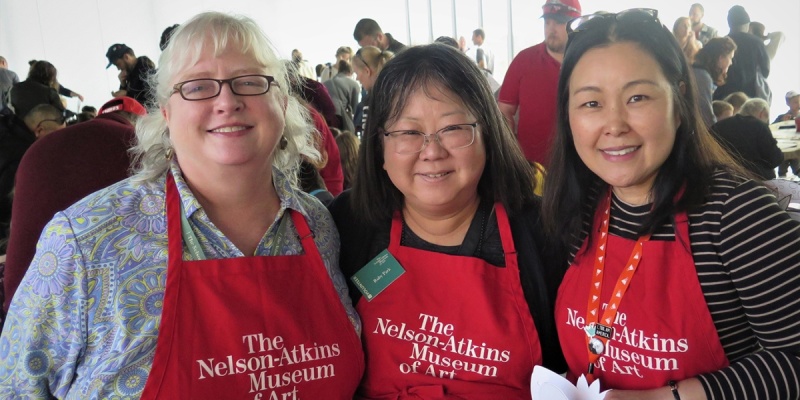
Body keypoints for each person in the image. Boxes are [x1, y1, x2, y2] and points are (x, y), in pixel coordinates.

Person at [0, 12, 364, 399]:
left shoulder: (319, 226)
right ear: (167, 114)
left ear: (282, 102)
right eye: (198, 86)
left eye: (249, 81)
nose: (227, 100)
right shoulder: (85, 242)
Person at [542, 8, 800, 398]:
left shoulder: (736, 215)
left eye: (637, 97)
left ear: (679, 102)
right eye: (591, 104)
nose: (614, 123)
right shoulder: (582, 205)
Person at [329, 43, 565, 398]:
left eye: (452, 128)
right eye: (409, 132)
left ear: (487, 133)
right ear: (379, 148)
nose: (432, 151)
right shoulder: (349, 224)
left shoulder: (543, 233)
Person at [3, 97, 145, 314]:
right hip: (101, 322)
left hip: (18, 313)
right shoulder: (138, 145)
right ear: (139, 123)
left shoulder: (38, 149)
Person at [499, 0, 582, 166]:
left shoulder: (588, 60)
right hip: (533, 169)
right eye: (547, 22)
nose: (551, 29)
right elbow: (504, 111)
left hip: (582, 167)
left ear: (576, 24)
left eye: (559, 22)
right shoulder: (524, 60)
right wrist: (512, 154)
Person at [711, 98, 783, 180]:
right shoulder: (759, 125)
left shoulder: (717, 126)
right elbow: (774, 159)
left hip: (724, 178)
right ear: (762, 114)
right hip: (757, 180)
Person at [713, 6, 770, 102]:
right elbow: (765, 71)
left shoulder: (720, 42)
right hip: (750, 96)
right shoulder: (756, 43)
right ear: (747, 24)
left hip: (723, 95)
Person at [691, 37, 736, 126]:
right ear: (721, 57)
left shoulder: (697, 71)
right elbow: (705, 114)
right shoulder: (702, 76)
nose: (731, 62)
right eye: (730, 57)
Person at [351, 46, 394, 136]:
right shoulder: (394, 94)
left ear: (367, 71)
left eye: (357, 73)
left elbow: (367, 139)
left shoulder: (371, 101)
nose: (357, 78)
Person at [323, 59, 360, 133]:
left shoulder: (325, 83)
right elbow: (355, 108)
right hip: (340, 118)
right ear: (351, 72)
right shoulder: (354, 84)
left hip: (325, 117)